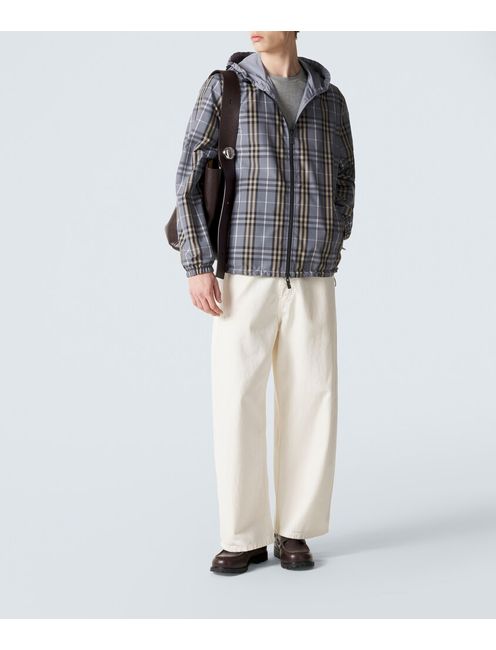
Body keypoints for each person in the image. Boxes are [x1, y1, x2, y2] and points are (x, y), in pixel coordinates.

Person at [175, 31, 355, 574]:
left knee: (313, 400)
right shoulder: (225, 88)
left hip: (312, 275)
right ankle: (243, 535)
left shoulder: (330, 99)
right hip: (243, 273)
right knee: (237, 401)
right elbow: (188, 178)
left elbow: (344, 177)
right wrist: (197, 264)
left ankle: (295, 530)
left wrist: (332, 241)